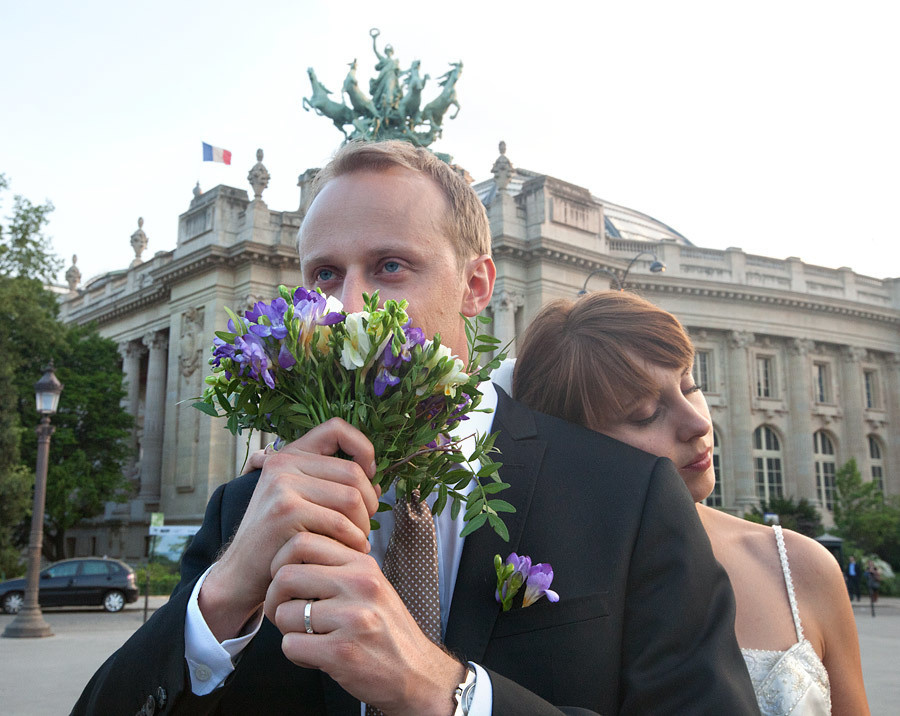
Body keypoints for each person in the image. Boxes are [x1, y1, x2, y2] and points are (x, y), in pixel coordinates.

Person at [73, 141, 758, 715]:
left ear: (477, 286)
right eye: (325, 275)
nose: (349, 306)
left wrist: (447, 694)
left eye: (390, 266)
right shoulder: (243, 513)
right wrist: (217, 603)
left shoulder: (628, 499)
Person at [512, 291, 870, 716]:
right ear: (570, 443)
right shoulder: (529, 593)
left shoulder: (802, 565)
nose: (699, 423)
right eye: (645, 413)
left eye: (689, 386)